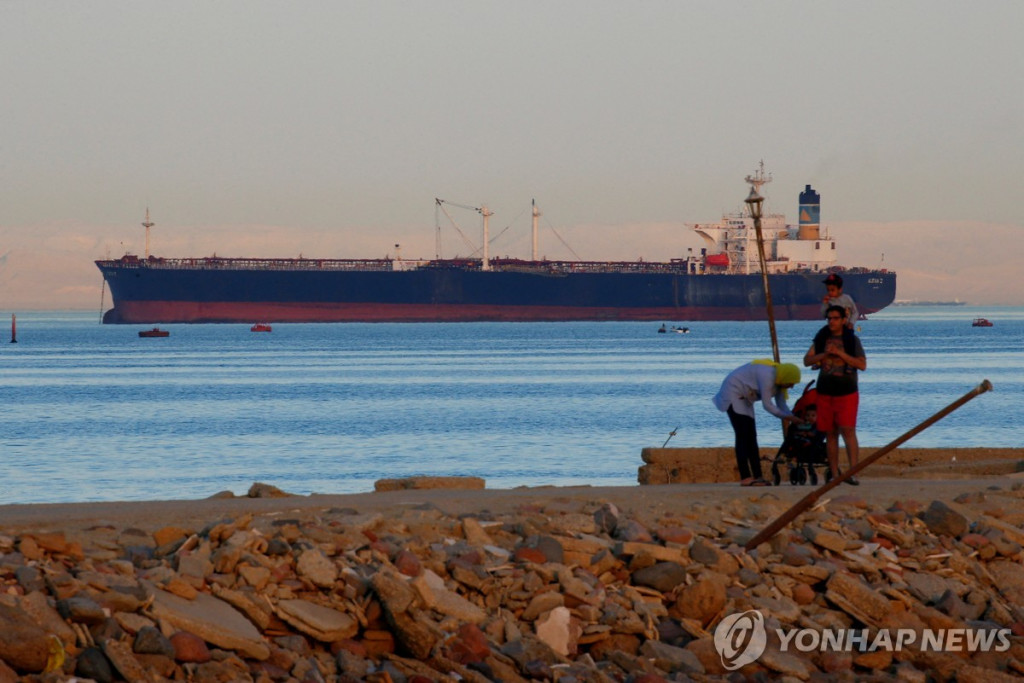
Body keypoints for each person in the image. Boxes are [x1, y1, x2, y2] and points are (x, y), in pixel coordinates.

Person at [804, 305, 867, 484]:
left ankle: (853, 472)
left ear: (843, 320)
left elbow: (862, 365)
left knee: (848, 431)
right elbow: (807, 360)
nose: (831, 322)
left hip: (846, 392)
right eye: (829, 318)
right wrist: (824, 354)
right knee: (830, 434)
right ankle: (834, 474)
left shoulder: (852, 341)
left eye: (835, 318)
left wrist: (839, 353)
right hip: (825, 393)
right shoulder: (821, 338)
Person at [713, 360, 803, 486]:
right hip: (733, 392)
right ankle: (745, 477)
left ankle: (758, 476)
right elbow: (767, 405)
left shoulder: (779, 382)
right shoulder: (768, 376)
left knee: (752, 437)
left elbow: (781, 404)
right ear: (785, 377)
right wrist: (788, 417)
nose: (792, 386)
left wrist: (792, 417)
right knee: (743, 436)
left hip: (746, 398)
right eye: (791, 382)